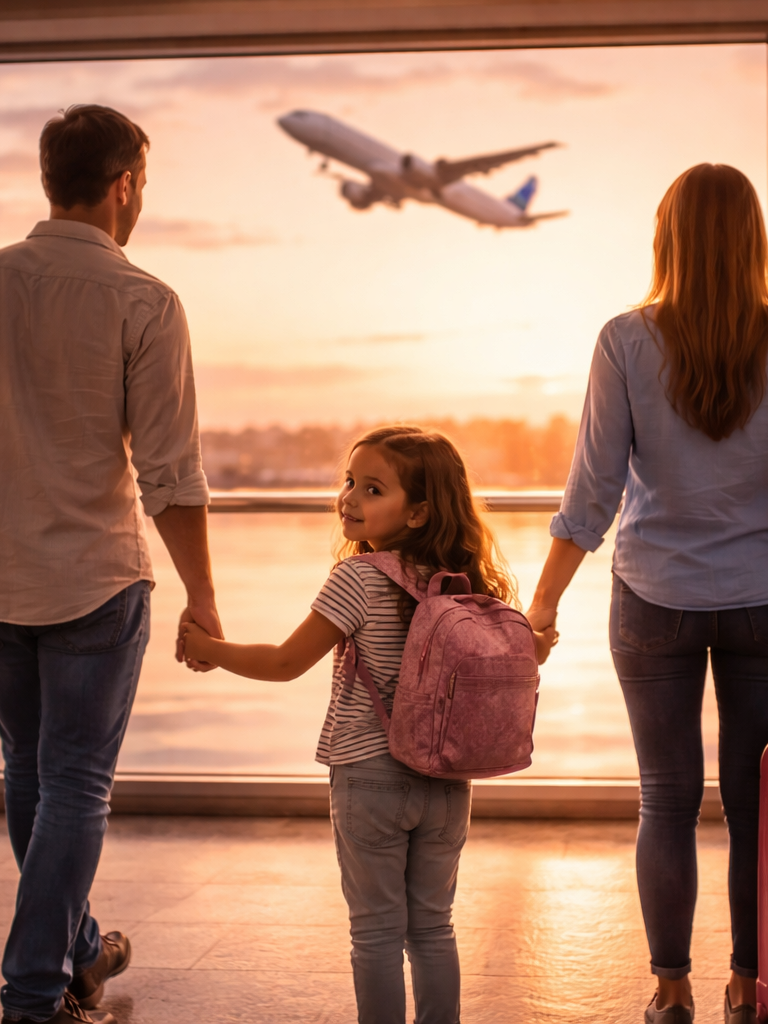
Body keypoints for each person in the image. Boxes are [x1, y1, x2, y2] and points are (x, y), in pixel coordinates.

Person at [0, 104, 222, 1024]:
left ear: (47, 179)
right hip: (94, 584)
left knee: (32, 767)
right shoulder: (145, 301)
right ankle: (34, 996)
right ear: (125, 185)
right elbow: (171, 475)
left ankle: (78, 948)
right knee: (74, 782)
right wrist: (205, 596)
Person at [524, 164, 768, 1024]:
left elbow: (591, 496)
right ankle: (746, 985)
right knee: (756, 802)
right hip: (767, 599)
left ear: (668, 239)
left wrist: (544, 603)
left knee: (665, 798)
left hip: (652, 596)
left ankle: (669, 989)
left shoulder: (625, 339)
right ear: (752, 240)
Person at [180, 425, 556, 1024]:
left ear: (417, 513)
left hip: (370, 779)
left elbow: (283, 663)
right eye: (350, 481)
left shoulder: (357, 579)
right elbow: (525, 655)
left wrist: (212, 647)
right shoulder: (467, 587)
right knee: (433, 927)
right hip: (447, 782)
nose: (350, 498)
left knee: (377, 933)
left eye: (373, 488)